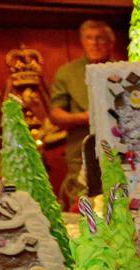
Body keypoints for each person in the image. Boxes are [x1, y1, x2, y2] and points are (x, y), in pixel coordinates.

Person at [48, 20, 116, 210]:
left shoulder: (123, 71)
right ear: (82, 41)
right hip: (81, 148)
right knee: (81, 199)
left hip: (118, 147)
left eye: (100, 39)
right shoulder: (68, 73)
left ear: (111, 43)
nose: (94, 43)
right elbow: (56, 114)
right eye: (89, 38)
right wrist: (84, 118)